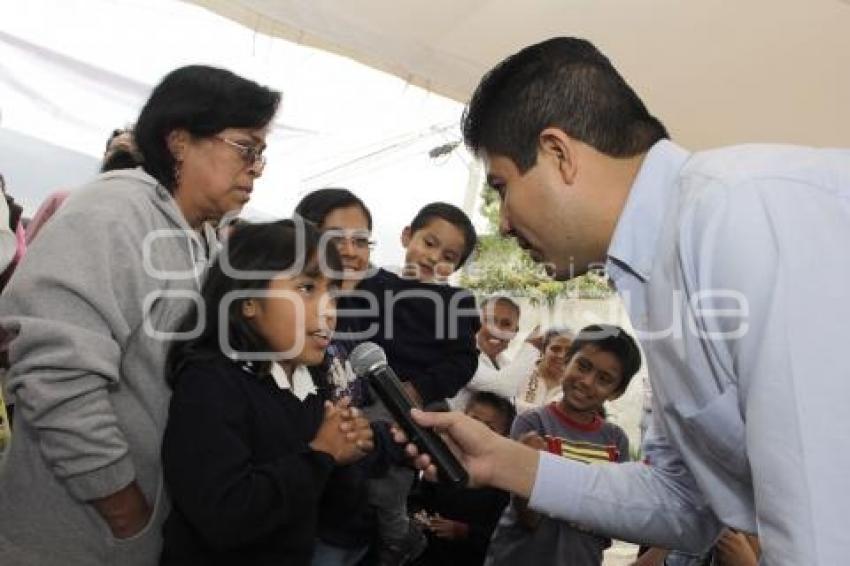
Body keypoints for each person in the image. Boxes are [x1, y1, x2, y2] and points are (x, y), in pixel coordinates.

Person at [405, 36, 850, 565]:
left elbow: (822, 533)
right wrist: (502, 461)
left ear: (558, 154)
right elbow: (686, 504)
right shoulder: (661, 271)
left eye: (501, 186)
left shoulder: (736, 216)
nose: (501, 220)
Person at [0, 65, 280, 566]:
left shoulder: (205, 239)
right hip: (81, 533)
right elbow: (55, 372)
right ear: (179, 142)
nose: (257, 167)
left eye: (262, 153)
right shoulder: (113, 212)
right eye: (247, 148)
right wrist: (122, 504)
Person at [160, 220, 373, 565]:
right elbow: (224, 518)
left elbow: (324, 508)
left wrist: (348, 450)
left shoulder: (311, 385)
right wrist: (321, 454)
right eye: (306, 288)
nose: (329, 311)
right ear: (248, 301)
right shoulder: (211, 384)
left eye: (332, 292)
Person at [338, 201, 480, 565]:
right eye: (429, 243)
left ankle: (397, 537)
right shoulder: (372, 283)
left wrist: (420, 388)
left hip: (415, 404)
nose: (435, 257)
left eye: (449, 255)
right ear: (406, 237)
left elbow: (464, 361)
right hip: (362, 389)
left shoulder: (456, 302)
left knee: (389, 485)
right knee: (346, 464)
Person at [485, 324, 639, 566]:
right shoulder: (532, 422)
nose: (587, 382)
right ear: (567, 362)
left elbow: (611, 518)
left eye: (604, 379)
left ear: (616, 392)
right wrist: (526, 465)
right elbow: (528, 517)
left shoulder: (616, 441)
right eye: (583, 366)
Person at [410, 391, 514, 566]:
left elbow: (501, 534)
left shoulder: (504, 481)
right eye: (473, 421)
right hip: (426, 552)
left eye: (489, 428)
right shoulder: (443, 459)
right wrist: (420, 515)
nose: (476, 432)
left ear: (505, 436)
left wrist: (462, 531)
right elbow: (416, 498)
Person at [25, 126, 142, 245]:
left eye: (128, 153)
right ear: (105, 155)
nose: (120, 158)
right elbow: (26, 250)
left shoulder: (139, 220)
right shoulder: (61, 200)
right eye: (117, 150)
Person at [447, 295, 540, 411]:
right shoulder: (460, 354)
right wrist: (532, 347)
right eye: (489, 321)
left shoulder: (505, 363)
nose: (496, 330)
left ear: (515, 332)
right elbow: (504, 387)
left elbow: (510, 404)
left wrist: (548, 411)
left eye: (506, 324)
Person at [514, 327, 574, 414]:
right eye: (555, 349)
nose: (562, 355)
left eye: (569, 351)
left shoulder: (572, 387)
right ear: (543, 350)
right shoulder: (521, 372)